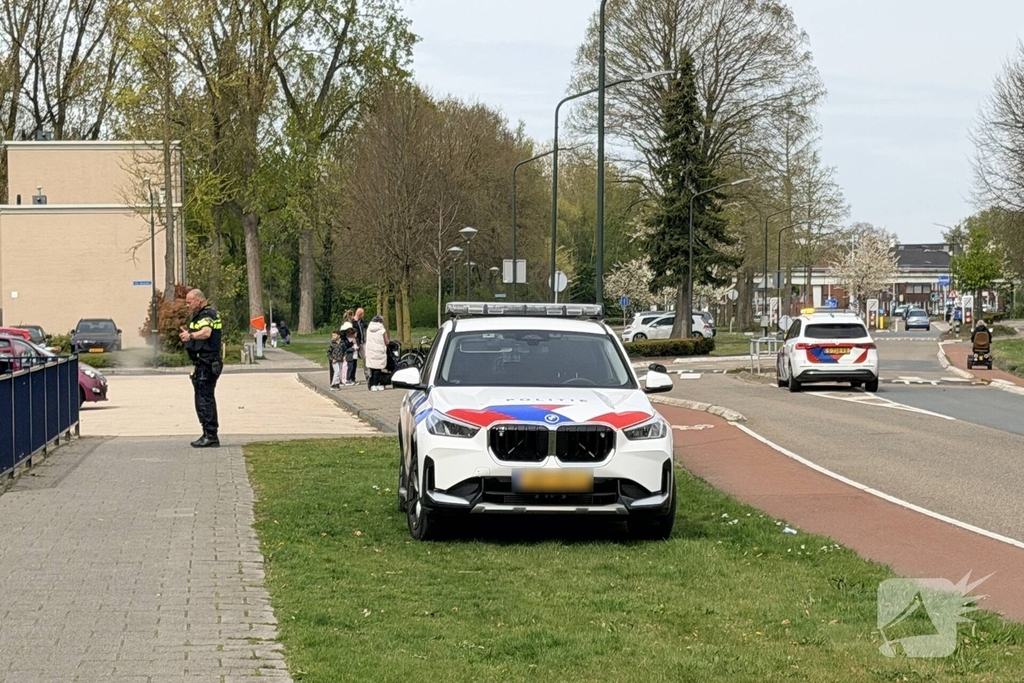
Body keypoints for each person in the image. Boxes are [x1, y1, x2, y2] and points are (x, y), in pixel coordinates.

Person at [179, 289, 223, 448]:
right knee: (202, 397)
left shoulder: (206, 315)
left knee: (205, 399)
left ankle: (210, 436)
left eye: (189, 302)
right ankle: (208, 433)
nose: (187, 305)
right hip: (203, 363)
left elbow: (206, 333)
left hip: (207, 362)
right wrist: (189, 332)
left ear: (199, 300)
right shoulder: (203, 314)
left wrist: (191, 336)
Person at [364, 314, 390, 391]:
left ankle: (371, 383)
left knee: (372, 367)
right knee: (378, 368)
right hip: (379, 350)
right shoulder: (382, 330)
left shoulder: (368, 329)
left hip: (370, 350)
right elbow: (387, 341)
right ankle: (375, 384)